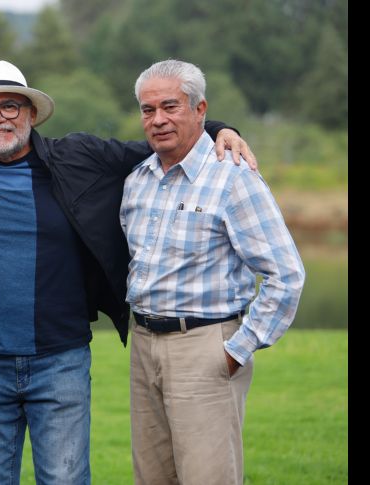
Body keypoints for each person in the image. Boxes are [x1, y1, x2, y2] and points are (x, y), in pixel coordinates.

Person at [0, 60, 256, 484]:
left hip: (60, 361)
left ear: (30, 112)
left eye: (9, 106)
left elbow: (163, 144)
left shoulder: (77, 157)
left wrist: (221, 128)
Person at [120, 59, 305, 485]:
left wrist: (237, 349)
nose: (159, 119)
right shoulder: (138, 180)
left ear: (200, 109)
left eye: (171, 106)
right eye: (148, 110)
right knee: (152, 477)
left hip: (205, 347)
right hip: (144, 346)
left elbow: (286, 274)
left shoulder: (233, 178)